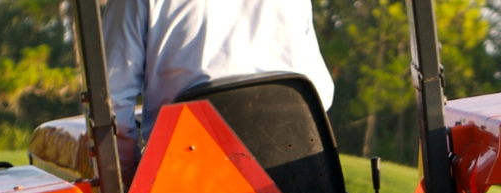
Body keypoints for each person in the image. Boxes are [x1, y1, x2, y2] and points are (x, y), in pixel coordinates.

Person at [102, 0, 336, 177]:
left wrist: (131, 183)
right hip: (295, 186)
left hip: (185, 191)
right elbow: (319, 97)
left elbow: (112, 108)